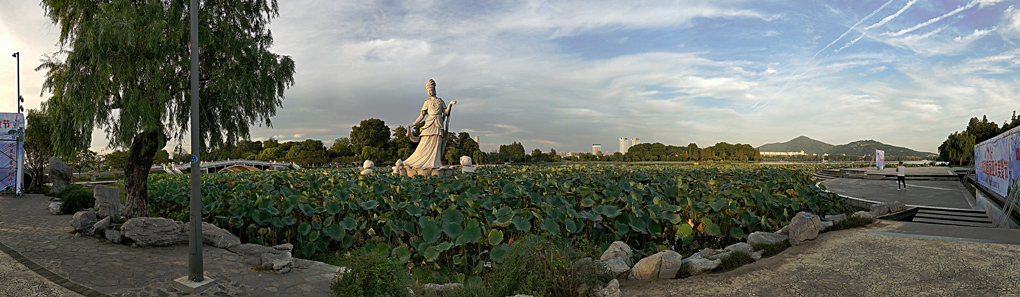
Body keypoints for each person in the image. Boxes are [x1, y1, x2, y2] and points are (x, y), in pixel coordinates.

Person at [404, 79, 448, 170]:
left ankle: (435, 163)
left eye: (430, 90)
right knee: (424, 144)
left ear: (434, 90)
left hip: (438, 124)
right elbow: (422, 115)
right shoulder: (427, 102)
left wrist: (450, 104)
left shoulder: (440, 101)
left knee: (437, 144)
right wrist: (413, 124)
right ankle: (418, 161)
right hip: (429, 124)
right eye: (428, 90)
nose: (429, 92)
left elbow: (446, 112)